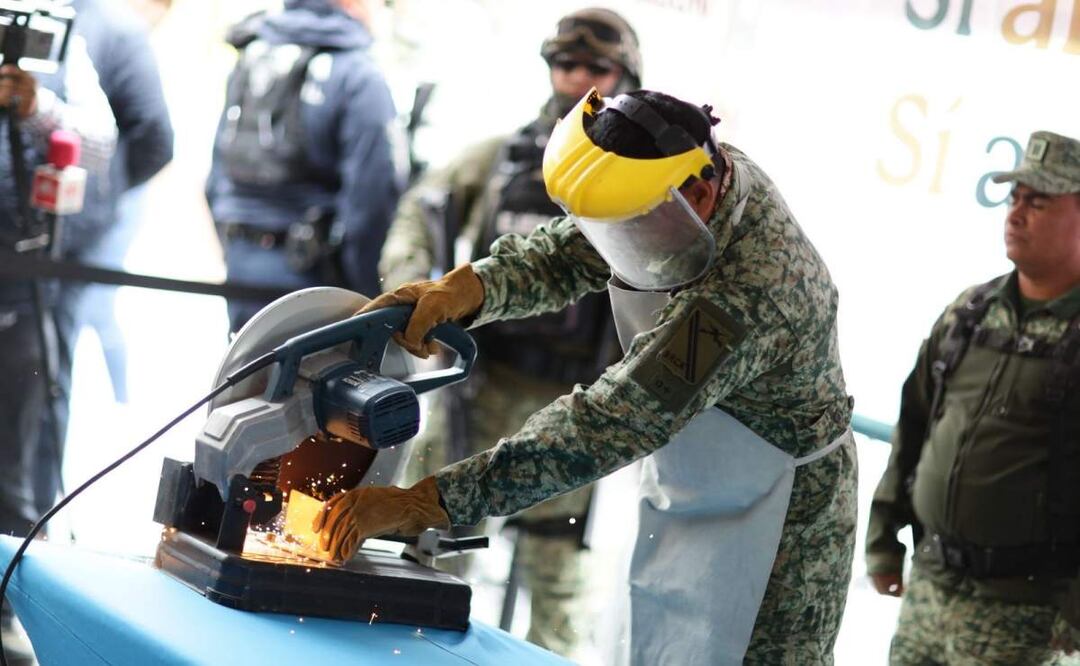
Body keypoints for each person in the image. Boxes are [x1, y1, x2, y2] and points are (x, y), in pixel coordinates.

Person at [316, 88, 858, 664]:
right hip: (710, 466)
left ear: (699, 194)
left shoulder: (753, 293)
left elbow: (609, 423)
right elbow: (572, 253)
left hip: (783, 518)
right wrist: (468, 288)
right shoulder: (685, 182)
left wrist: (431, 500)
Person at [376, 8, 640, 655]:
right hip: (482, 390)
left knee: (557, 589)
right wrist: (420, 290)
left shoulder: (642, 176)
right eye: (564, 64)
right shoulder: (502, 158)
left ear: (625, 74)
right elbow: (420, 207)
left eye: (595, 67)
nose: (577, 78)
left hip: (576, 406)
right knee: (427, 550)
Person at [867, 130, 1080, 665]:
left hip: (1021, 610)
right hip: (931, 583)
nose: (1016, 214)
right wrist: (884, 535)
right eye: (1014, 198)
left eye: (1039, 202)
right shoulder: (972, 312)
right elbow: (915, 423)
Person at [0, 30, 117, 665]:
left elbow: (102, 146)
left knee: (14, 476)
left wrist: (35, 106)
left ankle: (13, 610)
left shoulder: (51, 34)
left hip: (18, 293)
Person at [35, 0, 174, 519]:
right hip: (32, 240)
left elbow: (156, 139)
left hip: (68, 245)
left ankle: (31, 520)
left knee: (44, 375)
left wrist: (98, 197)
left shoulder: (113, 31)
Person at [205, 0, 404, 334]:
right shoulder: (357, 74)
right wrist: (368, 293)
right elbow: (373, 200)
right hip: (319, 286)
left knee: (249, 383)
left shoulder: (253, 55)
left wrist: (236, 253)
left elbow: (217, 176)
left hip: (242, 266)